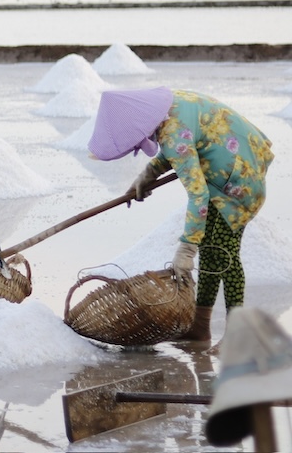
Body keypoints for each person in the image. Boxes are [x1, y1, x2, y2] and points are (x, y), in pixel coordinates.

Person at [88, 87, 274, 342]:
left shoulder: (174, 134)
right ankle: (200, 326)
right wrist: (148, 175)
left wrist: (186, 249)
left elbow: (199, 195)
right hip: (236, 164)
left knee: (225, 256)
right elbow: (178, 144)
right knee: (211, 251)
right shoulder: (170, 106)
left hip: (237, 184)